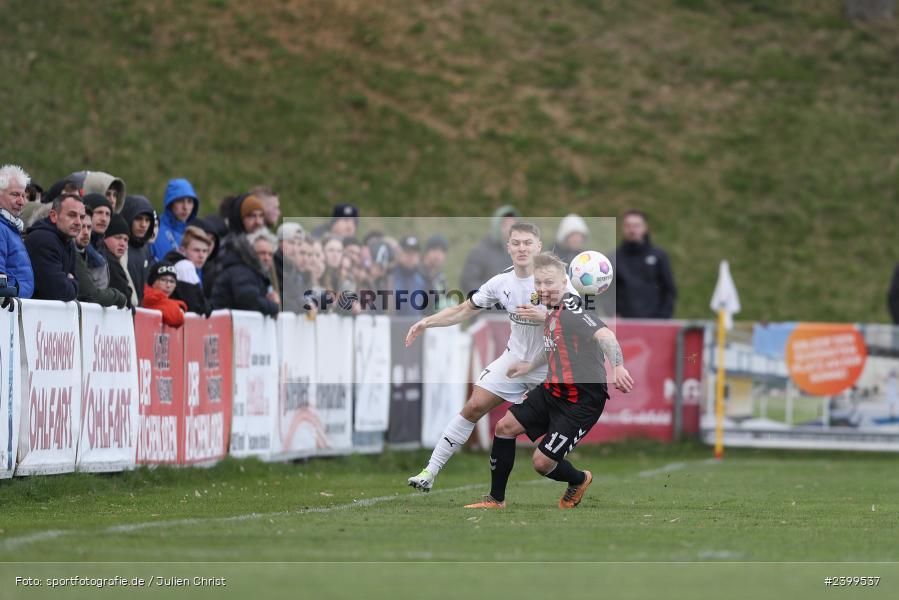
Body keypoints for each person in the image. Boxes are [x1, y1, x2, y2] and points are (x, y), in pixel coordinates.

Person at [405, 223, 579, 492]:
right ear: (508, 247)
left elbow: (579, 320)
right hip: (514, 361)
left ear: (539, 246)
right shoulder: (501, 283)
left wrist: (546, 316)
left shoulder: (556, 278)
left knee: (545, 455)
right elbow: (463, 309)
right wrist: (427, 321)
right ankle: (430, 471)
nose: (522, 248)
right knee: (473, 406)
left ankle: (577, 478)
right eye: (516, 243)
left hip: (550, 367)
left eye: (528, 243)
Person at [464, 253, 634, 509]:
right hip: (552, 391)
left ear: (565, 284)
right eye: (539, 283)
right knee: (504, 428)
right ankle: (495, 499)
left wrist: (618, 366)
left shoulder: (572, 309)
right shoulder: (553, 311)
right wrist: (529, 365)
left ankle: (579, 479)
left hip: (581, 401)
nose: (543, 289)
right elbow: (553, 344)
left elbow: (605, 335)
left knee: (542, 463)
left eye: (549, 283)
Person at [612, 209, 677, 319]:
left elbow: (669, 290)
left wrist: (664, 317)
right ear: (623, 228)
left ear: (645, 227)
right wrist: (613, 313)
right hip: (623, 323)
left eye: (636, 225)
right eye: (628, 226)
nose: (632, 230)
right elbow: (606, 291)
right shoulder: (614, 257)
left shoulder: (659, 256)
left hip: (655, 323)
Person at [24, 192, 83, 301]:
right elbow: (61, 292)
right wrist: (72, 281)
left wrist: (71, 281)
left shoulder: (67, 241)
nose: (78, 222)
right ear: (53, 216)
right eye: (72, 215)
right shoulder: (43, 240)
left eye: (81, 217)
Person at [209, 229, 280, 317]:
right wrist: (274, 306)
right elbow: (249, 301)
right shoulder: (241, 271)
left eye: (270, 254)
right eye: (262, 253)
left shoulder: (256, 273)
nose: (267, 258)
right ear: (251, 251)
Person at [460, 205, 520, 296]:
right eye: (505, 224)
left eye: (513, 225)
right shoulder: (480, 252)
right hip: (489, 308)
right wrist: (493, 294)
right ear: (496, 226)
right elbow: (467, 283)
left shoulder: (521, 252)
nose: (509, 229)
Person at [74, 210, 127, 308]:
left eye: (89, 227)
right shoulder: (72, 254)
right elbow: (93, 295)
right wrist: (119, 297)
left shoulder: (98, 259)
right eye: (81, 227)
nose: (86, 232)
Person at [0, 164, 34, 299]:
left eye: (23, 195)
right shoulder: (2, 227)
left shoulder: (11, 227)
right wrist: (13, 289)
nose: (21, 201)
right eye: (15, 194)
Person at [163, 226, 212, 315]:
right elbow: (195, 306)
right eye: (196, 250)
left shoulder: (179, 264)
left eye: (205, 251)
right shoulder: (185, 266)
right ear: (182, 250)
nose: (201, 255)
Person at [151, 178, 199, 261]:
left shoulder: (193, 234)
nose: (185, 207)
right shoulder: (155, 232)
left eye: (190, 201)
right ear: (170, 203)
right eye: (180, 201)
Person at [120, 195, 156, 304]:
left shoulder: (145, 249)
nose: (143, 225)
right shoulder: (120, 247)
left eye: (147, 220)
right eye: (138, 219)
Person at [101, 214, 135, 306]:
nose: (123, 244)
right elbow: (125, 292)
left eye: (126, 240)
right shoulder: (108, 261)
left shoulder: (115, 261)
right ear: (104, 237)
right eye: (118, 237)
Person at [142, 262, 188, 327]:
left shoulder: (161, 300)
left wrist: (180, 305)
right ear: (152, 282)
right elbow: (176, 318)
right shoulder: (149, 297)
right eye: (163, 280)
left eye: (172, 281)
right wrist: (179, 306)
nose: (168, 285)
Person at [391, 235, 428, 315]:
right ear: (399, 254)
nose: (410, 257)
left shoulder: (422, 281)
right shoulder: (390, 278)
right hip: (393, 325)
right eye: (407, 253)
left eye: (414, 254)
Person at [275, 222, 306, 312]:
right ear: (280, 242)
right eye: (291, 243)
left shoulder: (295, 270)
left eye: (299, 244)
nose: (295, 249)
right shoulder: (272, 266)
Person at [421, 234, 449, 313]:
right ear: (427, 251)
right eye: (435, 250)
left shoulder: (441, 279)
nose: (438, 255)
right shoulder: (416, 273)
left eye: (442, 251)